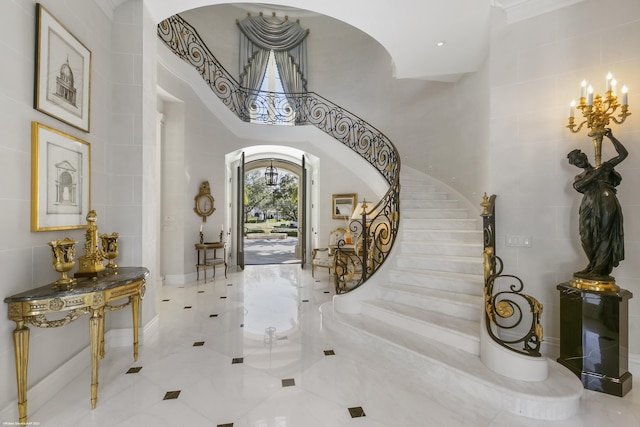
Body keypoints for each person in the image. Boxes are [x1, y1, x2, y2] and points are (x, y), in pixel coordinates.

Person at [567, 128, 627, 281]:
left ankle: (599, 268)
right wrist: (596, 173)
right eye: (576, 162)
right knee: (585, 236)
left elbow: (623, 154)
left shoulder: (605, 167)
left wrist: (611, 137)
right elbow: (580, 186)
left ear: (585, 157)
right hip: (589, 204)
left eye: (580, 159)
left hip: (606, 200)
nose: (580, 162)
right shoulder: (580, 176)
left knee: (604, 233)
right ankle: (593, 264)